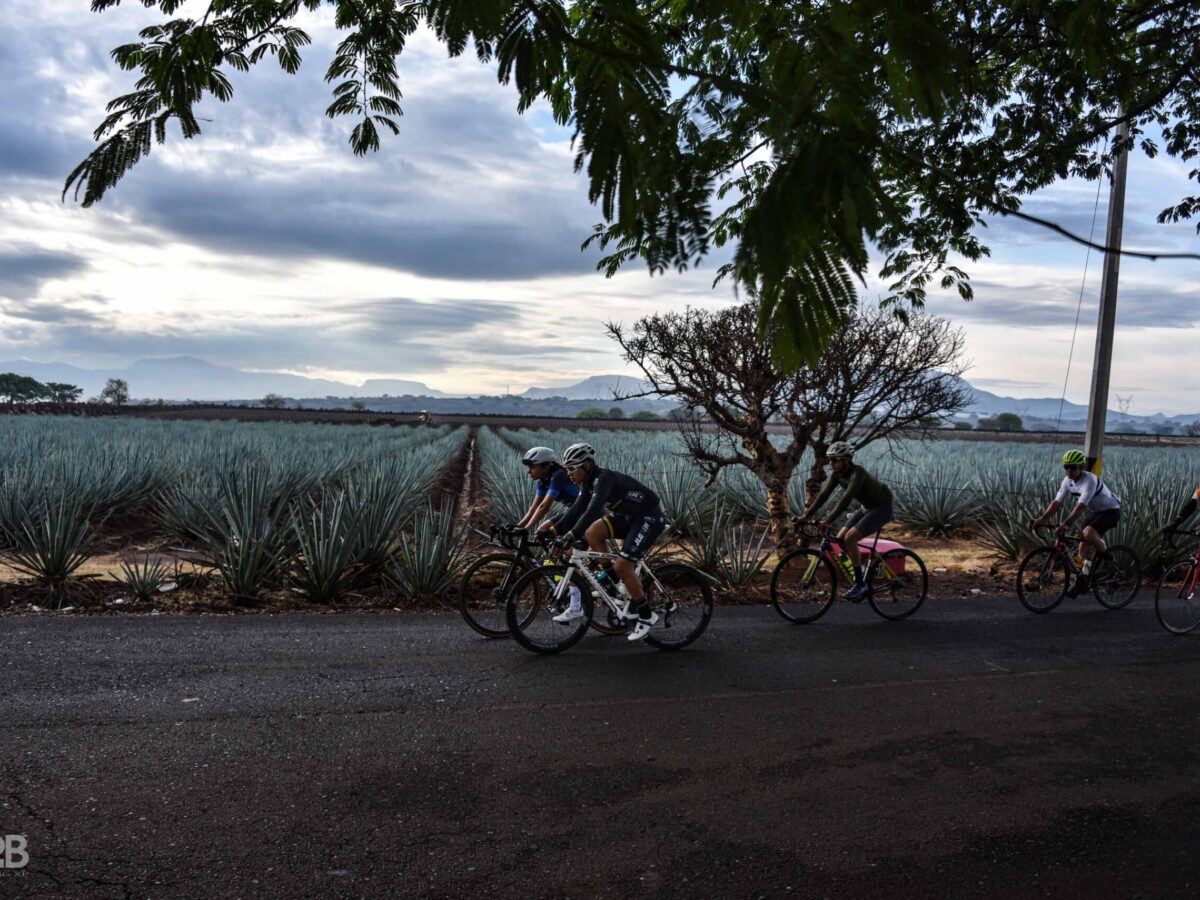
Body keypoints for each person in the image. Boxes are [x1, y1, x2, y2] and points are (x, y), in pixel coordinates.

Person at [540, 442, 666, 640]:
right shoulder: (587, 483)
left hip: (648, 517)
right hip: (627, 517)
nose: (569, 473)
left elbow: (591, 510)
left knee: (623, 565)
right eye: (567, 469)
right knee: (592, 533)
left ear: (587, 466)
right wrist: (553, 531)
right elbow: (576, 510)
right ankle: (612, 579)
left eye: (572, 468)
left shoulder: (603, 479)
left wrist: (569, 537)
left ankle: (646, 614)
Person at [795, 441, 893, 601]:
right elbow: (823, 495)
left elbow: (846, 498)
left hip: (882, 508)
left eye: (835, 460)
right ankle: (860, 571)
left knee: (850, 538)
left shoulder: (858, 472)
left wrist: (828, 520)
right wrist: (805, 516)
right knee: (840, 540)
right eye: (830, 460)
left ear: (846, 460)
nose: (831, 464)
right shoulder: (837, 475)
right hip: (866, 508)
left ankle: (861, 584)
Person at [1029, 449, 1121, 596]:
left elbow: (1080, 506)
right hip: (1095, 512)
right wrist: (1041, 519)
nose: (1069, 471)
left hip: (1111, 510)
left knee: (1088, 533)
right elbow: (1056, 503)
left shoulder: (1089, 480)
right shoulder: (1067, 481)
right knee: (1082, 550)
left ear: (1081, 467)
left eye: (1073, 467)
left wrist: (1066, 523)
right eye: (1066, 467)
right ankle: (1085, 580)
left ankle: (1110, 562)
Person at [513, 447, 580, 532]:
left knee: (545, 532)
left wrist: (526, 529)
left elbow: (544, 507)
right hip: (574, 511)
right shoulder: (543, 480)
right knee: (542, 532)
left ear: (545, 466)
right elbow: (534, 507)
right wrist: (518, 526)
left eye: (532, 467)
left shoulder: (558, 475)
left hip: (584, 510)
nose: (529, 471)